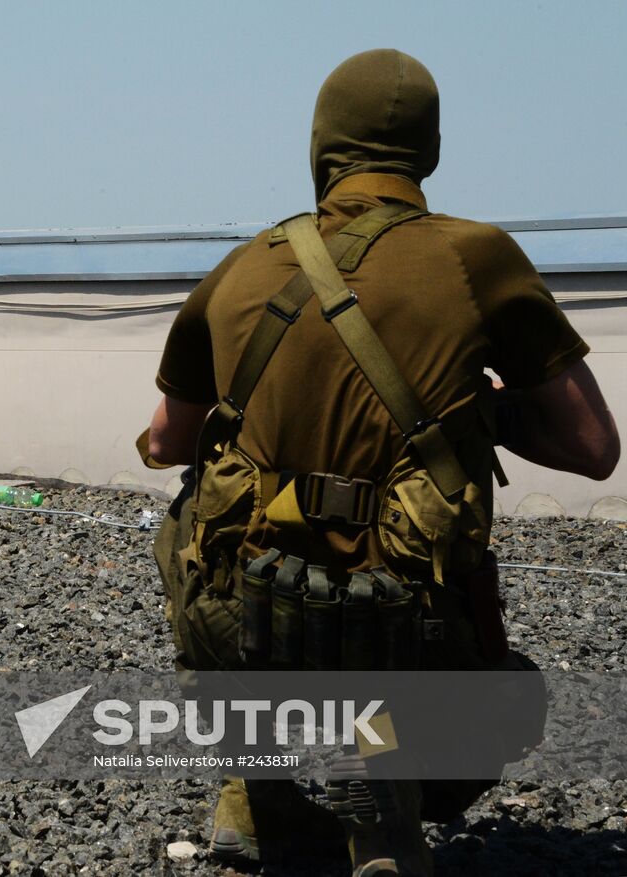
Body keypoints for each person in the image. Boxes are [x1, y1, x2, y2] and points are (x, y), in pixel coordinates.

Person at [142, 49, 619, 875]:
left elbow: (161, 442)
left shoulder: (243, 265)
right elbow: (594, 448)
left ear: (321, 148)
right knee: (512, 699)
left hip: (249, 627)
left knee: (189, 515)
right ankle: (386, 809)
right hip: (407, 639)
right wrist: (480, 412)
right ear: (428, 153)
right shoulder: (478, 257)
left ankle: (255, 792)